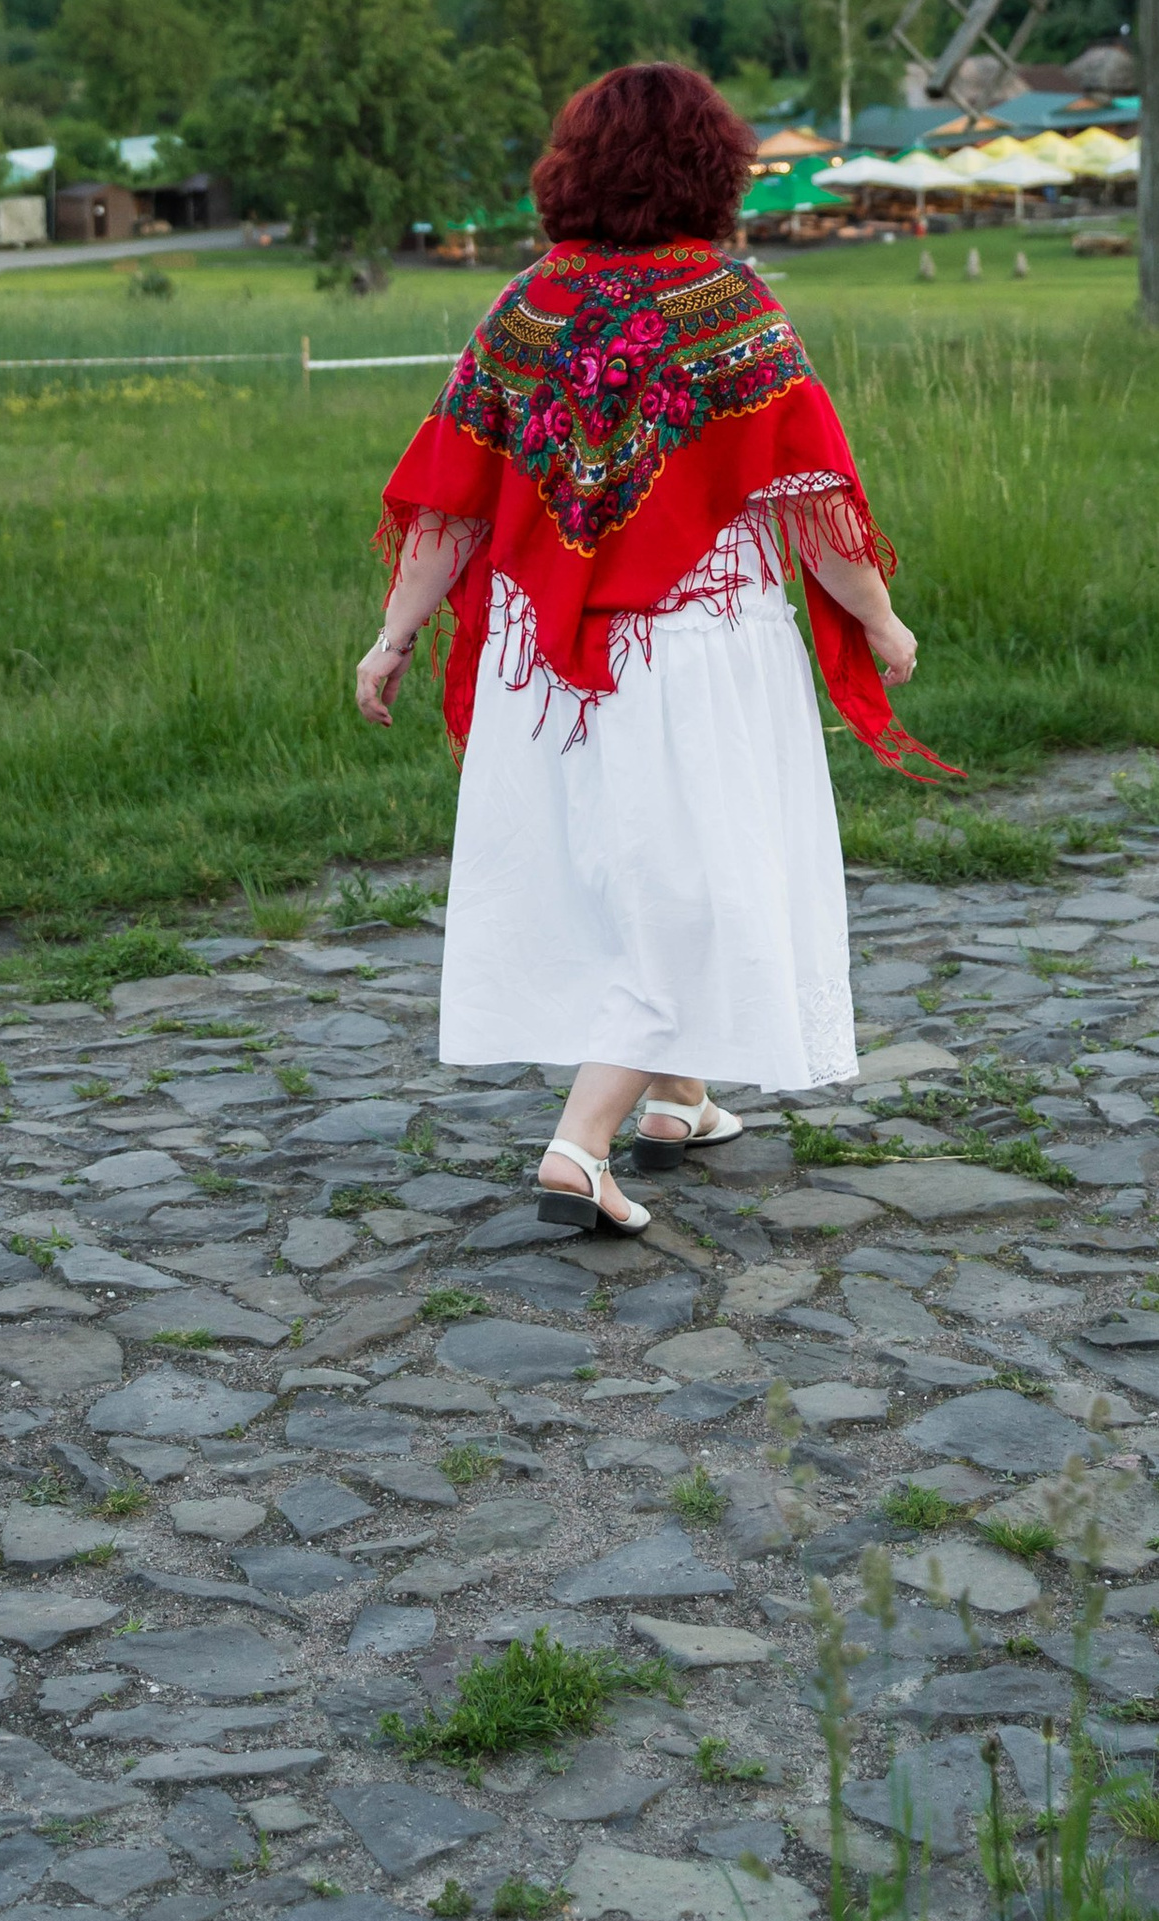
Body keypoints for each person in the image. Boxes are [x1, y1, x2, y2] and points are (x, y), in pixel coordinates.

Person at [356, 60, 947, 1234]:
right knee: (696, 882)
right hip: (691, 646)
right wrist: (878, 617)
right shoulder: (726, 308)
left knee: (626, 870)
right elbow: (808, 499)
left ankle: (678, 1100)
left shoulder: (527, 306)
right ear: (708, 166)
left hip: (545, 663)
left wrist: (393, 636)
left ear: (577, 166)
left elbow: (452, 504)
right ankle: (580, 1146)